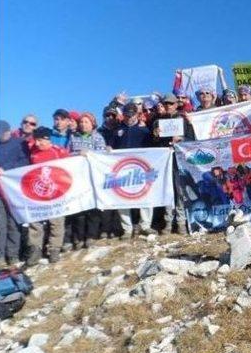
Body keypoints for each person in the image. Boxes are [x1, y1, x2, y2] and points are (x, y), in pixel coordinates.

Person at [25, 127, 70, 265]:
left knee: (56, 221)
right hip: (37, 192)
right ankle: (35, 250)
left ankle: (54, 249)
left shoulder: (59, 151)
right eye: (35, 140)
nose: (37, 143)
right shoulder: (33, 152)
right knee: (35, 221)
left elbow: (70, 168)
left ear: (47, 139)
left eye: (39, 140)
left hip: (56, 192)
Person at [152, 93, 195, 235]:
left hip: (180, 160)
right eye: (165, 104)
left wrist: (182, 138)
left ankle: (181, 222)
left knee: (181, 191)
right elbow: (154, 143)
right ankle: (168, 222)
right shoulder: (158, 122)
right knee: (167, 190)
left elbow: (193, 138)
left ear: (176, 104)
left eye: (170, 103)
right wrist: (155, 135)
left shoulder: (184, 119)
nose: (168, 106)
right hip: (165, 161)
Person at [111, 103, 156, 238]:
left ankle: (145, 225)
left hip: (141, 169)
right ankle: (127, 228)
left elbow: (153, 148)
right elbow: (111, 147)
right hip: (123, 170)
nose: (129, 118)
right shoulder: (117, 131)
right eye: (126, 115)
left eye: (131, 115)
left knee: (146, 195)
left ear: (137, 114)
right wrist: (108, 150)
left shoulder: (144, 131)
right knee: (121, 197)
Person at [67, 112, 107, 249]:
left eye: (86, 122)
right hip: (77, 178)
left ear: (92, 124)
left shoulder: (98, 137)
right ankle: (79, 237)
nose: (83, 124)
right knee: (79, 207)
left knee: (93, 208)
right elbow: (66, 155)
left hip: (92, 177)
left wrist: (89, 154)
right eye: (81, 122)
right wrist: (78, 154)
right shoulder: (73, 137)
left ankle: (91, 236)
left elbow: (102, 156)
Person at [0, 120, 30, 265]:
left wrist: (6, 169)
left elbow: (25, 162)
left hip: (15, 189)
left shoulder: (19, 144)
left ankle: (13, 254)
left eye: (2, 134)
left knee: (13, 221)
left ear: (8, 131)